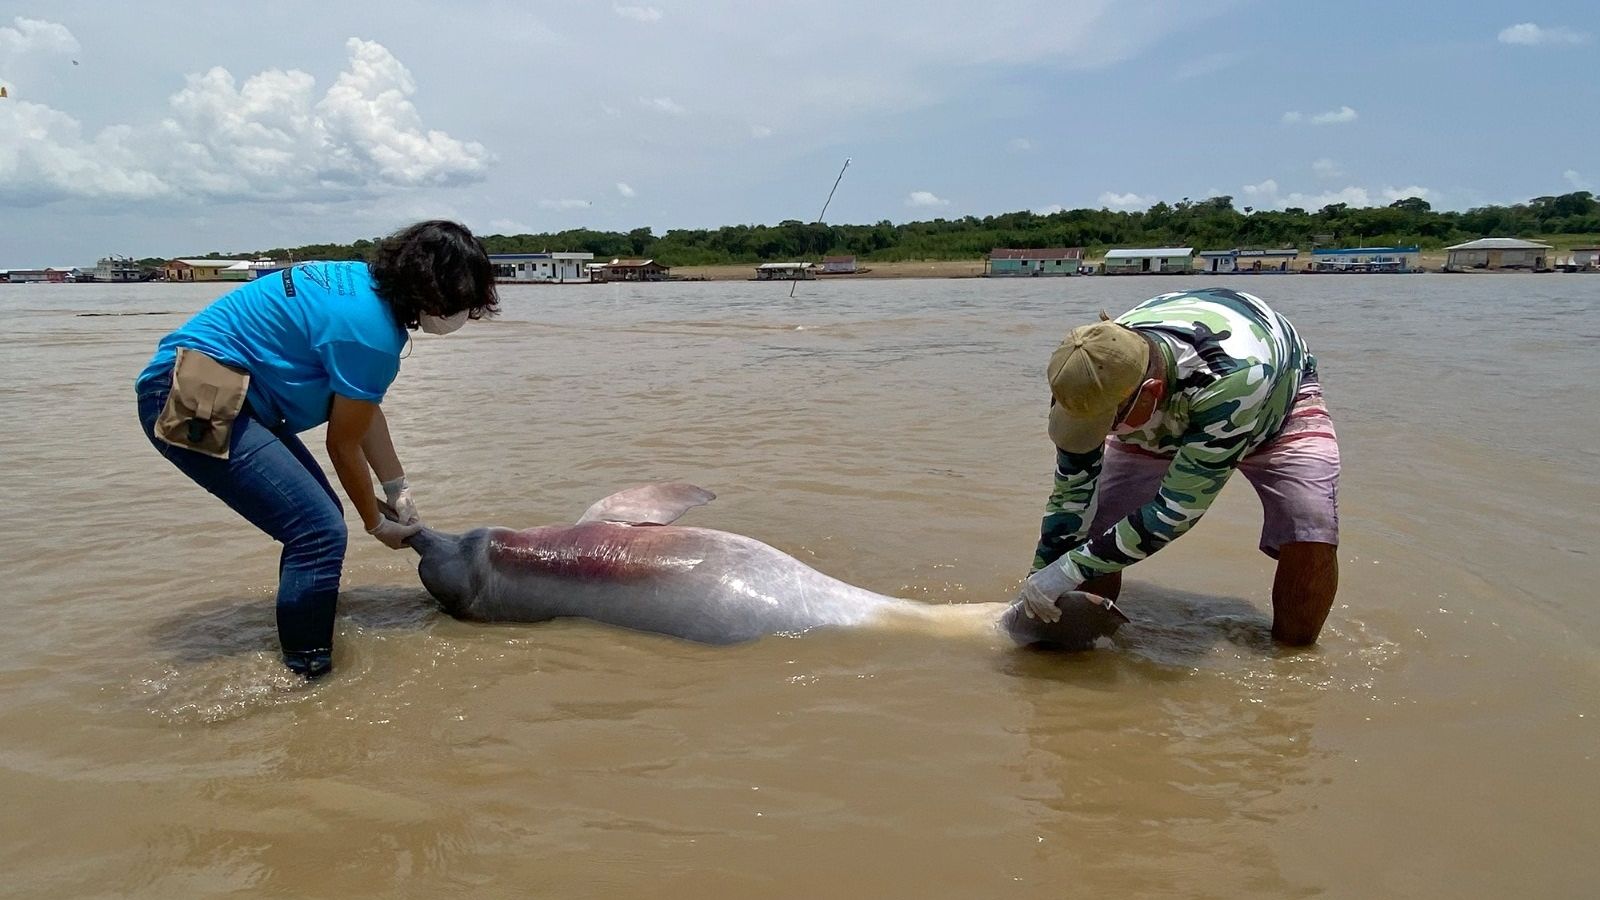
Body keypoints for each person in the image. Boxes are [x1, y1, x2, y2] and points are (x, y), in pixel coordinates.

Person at [134, 220, 499, 678]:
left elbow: (363, 410)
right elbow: (342, 444)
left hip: (208, 384)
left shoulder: (360, 285)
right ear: (435, 290)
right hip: (193, 395)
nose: (463, 314)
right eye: (462, 302)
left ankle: (303, 631)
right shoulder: (370, 333)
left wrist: (397, 489)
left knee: (320, 519)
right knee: (318, 532)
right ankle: (308, 672)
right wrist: (374, 523)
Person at [1018, 288, 1339, 645]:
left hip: (1273, 398)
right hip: (1158, 408)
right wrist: (1040, 577)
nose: (1101, 435)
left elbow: (1175, 511)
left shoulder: (1237, 378)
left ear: (1151, 393)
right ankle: (1075, 646)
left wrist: (1071, 568)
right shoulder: (1088, 370)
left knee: (1309, 526)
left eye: (1107, 424)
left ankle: (1293, 659)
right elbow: (1072, 493)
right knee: (1098, 527)